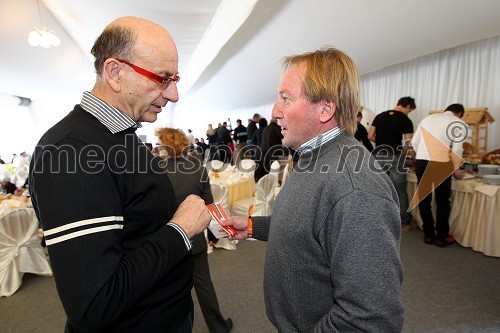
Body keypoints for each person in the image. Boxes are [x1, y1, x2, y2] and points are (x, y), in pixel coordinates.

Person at [29, 16, 211, 332]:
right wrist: (181, 229)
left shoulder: (121, 134)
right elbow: (95, 303)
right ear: (116, 72)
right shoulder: (68, 153)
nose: (173, 95)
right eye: (162, 78)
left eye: (175, 79)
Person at [222, 47, 404, 332]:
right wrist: (252, 227)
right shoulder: (312, 156)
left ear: (325, 109)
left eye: (286, 98)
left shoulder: (355, 189)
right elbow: (311, 225)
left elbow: (370, 318)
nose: (274, 110)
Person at [156, 127, 233, 333]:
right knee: (204, 285)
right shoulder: (197, 167)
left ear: (165, 145)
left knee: (168, 289)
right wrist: (216, 235)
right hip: (195, 239)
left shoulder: (155, 169)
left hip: (166, 241)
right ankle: (219, 327)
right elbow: (209, 206)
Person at [411, 103, 466, 247]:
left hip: (422, 161)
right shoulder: (458, 122)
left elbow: (414, 142)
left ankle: (429, 235)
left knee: (424, 199)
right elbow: (458, 149)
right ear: (459, 113)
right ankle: (441, 237)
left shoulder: (428, 118)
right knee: (442, 200)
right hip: (441, 162)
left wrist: (422, 156)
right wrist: (456, 169)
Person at [368, 96, 416, 231]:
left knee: (378, 188)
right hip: (394, 156)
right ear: (407, 106)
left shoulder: (380, 116)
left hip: (377, 156)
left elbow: (370, 136)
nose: (409, 112)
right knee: (400, 190)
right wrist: (412, 157)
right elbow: (408, 143)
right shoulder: (405, 120)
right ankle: (404, 222)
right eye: (410, 110)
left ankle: (378, 218)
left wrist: (382, 142)